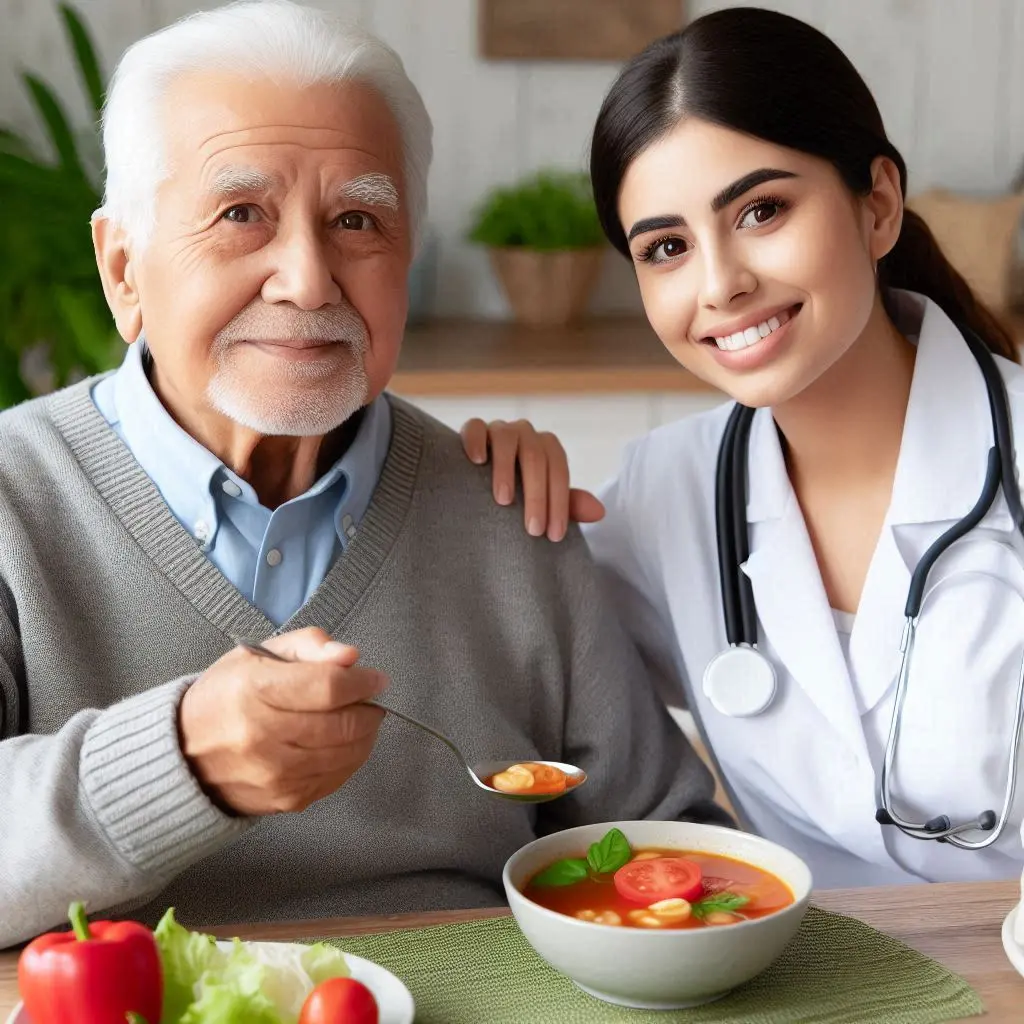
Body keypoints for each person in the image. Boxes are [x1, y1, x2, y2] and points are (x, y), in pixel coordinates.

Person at [0, 0, 729, 948]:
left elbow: (665, 852)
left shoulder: (507, 508)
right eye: (240, 214)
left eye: (356, 219)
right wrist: (182, 761)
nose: (307, 277)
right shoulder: (17, 496)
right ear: (123, 268)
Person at [462, 7, 1024, 888]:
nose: (720, 284)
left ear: (877, 206)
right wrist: (489, 480)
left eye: (762, 210)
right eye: (667, 248)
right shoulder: (661, 496)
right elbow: (507, 652)